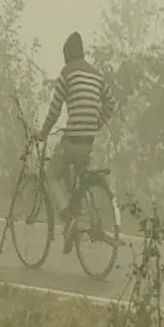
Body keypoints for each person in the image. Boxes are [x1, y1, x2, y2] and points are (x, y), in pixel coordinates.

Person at [34, 31, 118, 251]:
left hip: (71, 140)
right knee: (77, 178)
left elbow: (54, 110)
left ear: (68, 55)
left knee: (52, 174)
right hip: (87, 141)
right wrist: (95, 123)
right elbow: (111, 104)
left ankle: (67, 219)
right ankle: (83, 215)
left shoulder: (68, 72)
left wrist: (43, 132)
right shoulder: (97, 75)